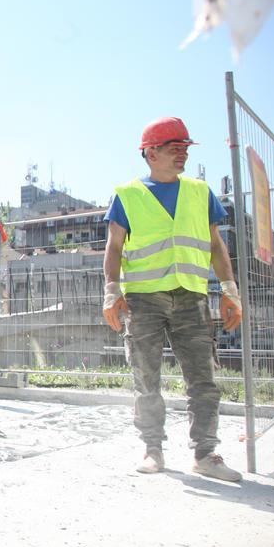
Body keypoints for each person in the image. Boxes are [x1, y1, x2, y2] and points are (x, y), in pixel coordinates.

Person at [102, 116, 243, 482]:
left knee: (203, 379)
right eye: (173, 148)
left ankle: (206, 454)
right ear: (149, 153)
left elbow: (215, 244)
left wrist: (229, 290)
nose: (181, 154)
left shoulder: (199, 191)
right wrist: (111, 292)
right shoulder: (128, 195)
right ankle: (153, 449)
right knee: (146, 378)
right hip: (144, 300)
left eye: (184, 148)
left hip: (192, 296)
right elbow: (114, 248)